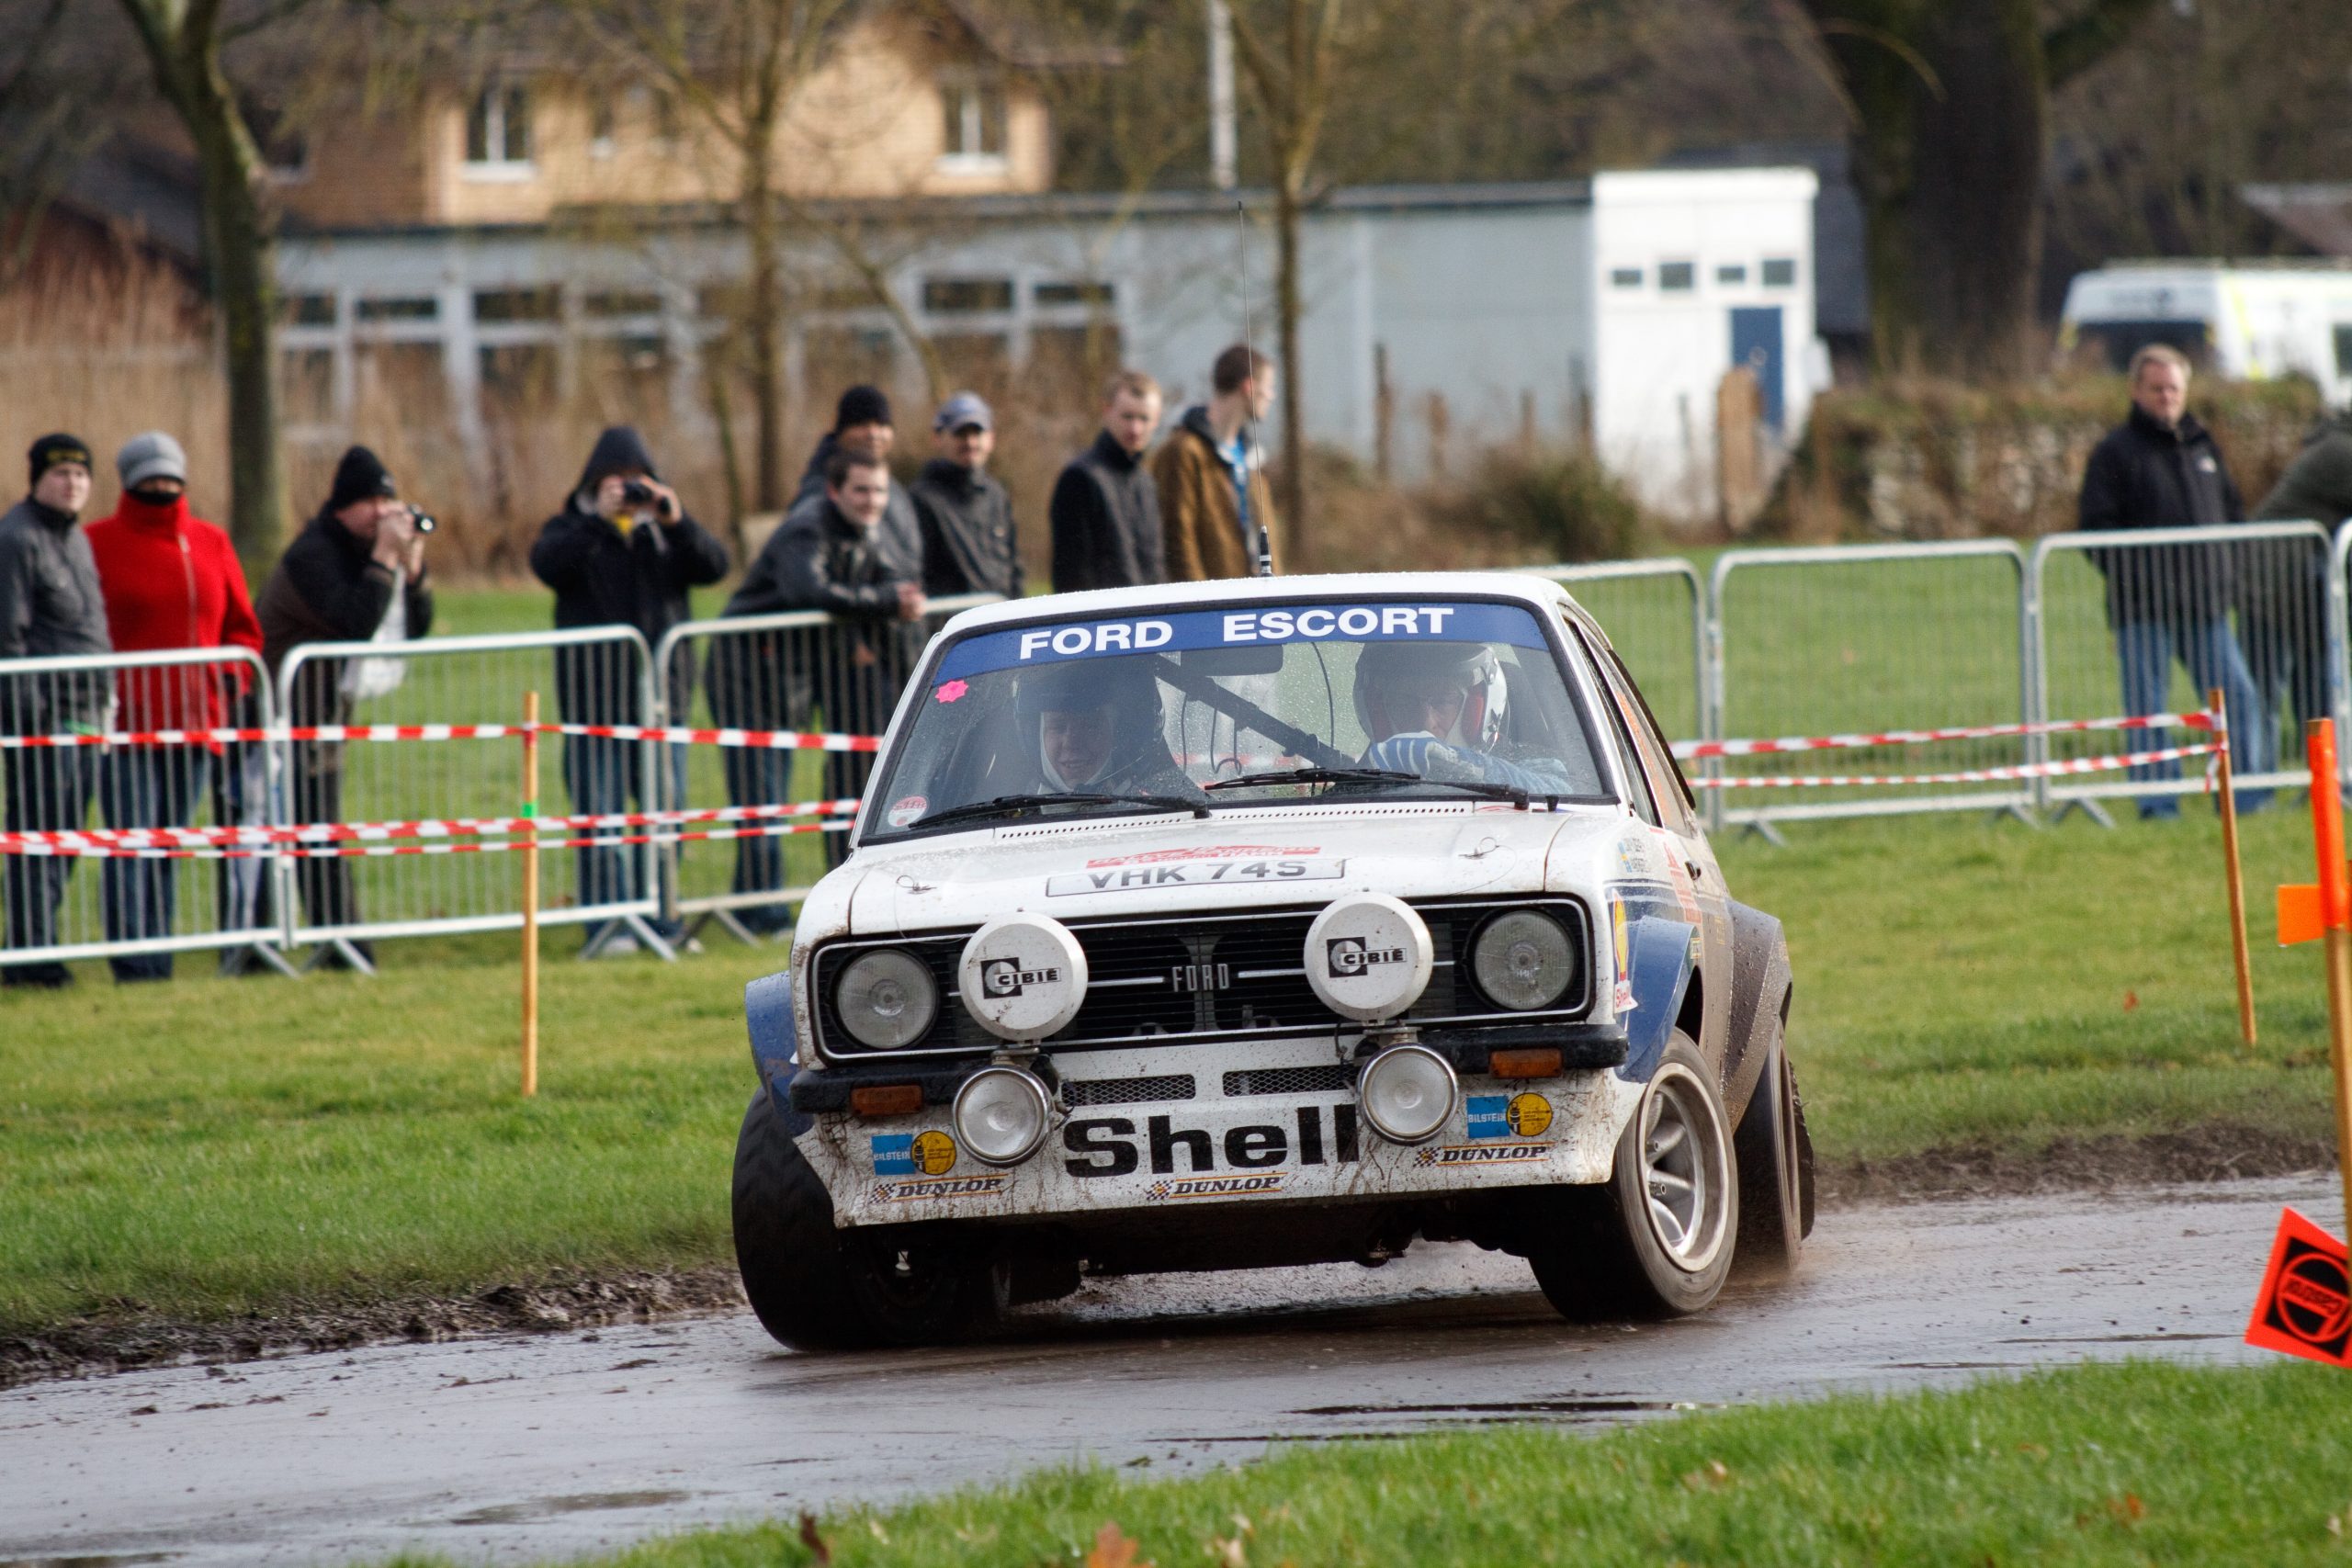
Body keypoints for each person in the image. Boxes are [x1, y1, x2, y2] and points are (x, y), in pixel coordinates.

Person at [530, 426, 729, 946]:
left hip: (663, 702)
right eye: (614, 481)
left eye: (636, 480)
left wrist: (676, 521)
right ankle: (610, 924)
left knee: (666, 818)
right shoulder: (572, 527)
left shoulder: (662, 530)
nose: (627, 490)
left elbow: (715, 565)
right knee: (602, 819)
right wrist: (598, 523)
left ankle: (663, 921)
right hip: (595, 702)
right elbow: (545, 564)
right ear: (593, 485)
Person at [83, 432, 263, 981]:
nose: (161, 488)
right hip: (127, 725)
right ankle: (135, 961)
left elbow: (242, 627)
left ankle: (158, 952)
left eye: (170, 478)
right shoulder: (95, 542)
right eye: (150, 479)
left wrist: (229, 680)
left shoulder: (210, 542)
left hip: (196, 723)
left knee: (170, 842)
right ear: (129, 482)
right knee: (131, 842)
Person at [256, 446, 435, 964]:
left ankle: (334, 944)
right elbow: (357, 622)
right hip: (276, 714)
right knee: (285, 829)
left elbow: (413, 627)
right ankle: (284, 943)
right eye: (370, 501)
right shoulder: (314, 554)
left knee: (317, 826)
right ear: (341, 507)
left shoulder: (358, 550)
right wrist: (383, 557)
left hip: (322, 715)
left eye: (388, 500)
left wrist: (413, 566)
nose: (382, 512)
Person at [2077, 343, 2270, 817]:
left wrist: (2228, 574)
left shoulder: (2204, 446)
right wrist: (2141, 577)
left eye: (2174, 388)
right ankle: (2157, 804)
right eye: (2156, 387)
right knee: (2150, 712)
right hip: (2144, 610)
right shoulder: (2115, 453)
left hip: (2207, 608)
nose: (2166, 397)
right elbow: (2096, 529)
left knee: (2238, 700)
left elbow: (2232, 515)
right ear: (2136, 390)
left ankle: (2246, 801)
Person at [728, 448, 924, 871]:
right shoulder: (806, 529)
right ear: (835, 491)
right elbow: (811, 591)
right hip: (749, 666)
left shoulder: (863, 529)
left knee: (824, 780)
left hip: (793, 668)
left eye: (879, 491)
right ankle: (762, 909)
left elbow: (889, 575)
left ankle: (786, 896)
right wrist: (889, 600)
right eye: (861, 490)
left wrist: (898, 594)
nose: (872, 500)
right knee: (762, 793)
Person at [0, 433, 109, 987]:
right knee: (37, 834)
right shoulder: (17, 539)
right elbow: (9, 637)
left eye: (82, 475)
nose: (73, 484)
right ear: (38, 477)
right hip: (45, 717)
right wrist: (28, 719)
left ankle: (37, 941)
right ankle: (28, 954)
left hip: (88, 709)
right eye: (62, 474)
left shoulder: (77, 539)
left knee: (64, 835)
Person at [2242, 402, 2352, 739]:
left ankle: (2325, 782)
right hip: (2270, 586)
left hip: (2305, 587)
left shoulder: (2334, 442)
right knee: (2263, 691)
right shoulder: (2341, 452)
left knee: (2319, 690)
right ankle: (2256, 789)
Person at [1354, 641, 1577, 796]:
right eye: (1404, 704)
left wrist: (1464, 763)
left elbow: (1563, 792)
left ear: (1478, 708)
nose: (1425, 722)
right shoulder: (1352, 772)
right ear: (1377, 712)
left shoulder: (1521, 762)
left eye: (1442, 701)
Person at [1153, 344, 1280, 581]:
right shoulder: (1184, 451)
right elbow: (1178, 540)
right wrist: (1201, 608)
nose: (1271, 396)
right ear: (1249, 387)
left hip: (1256, 605)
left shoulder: (1250, 456)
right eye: (1269, 387)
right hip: (1213, 609)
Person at [1015, 659, 1195, 802]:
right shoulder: (1002, 814)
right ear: (1035, 739)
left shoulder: (1171, 813)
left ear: (1123, 737)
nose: (1071, 743)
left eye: (1089, 726)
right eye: (1058, 727)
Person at [1050, 370, 1165, 592]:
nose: (1135, 429)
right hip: (1101, 620)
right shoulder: (1080, 478)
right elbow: (1071, 575)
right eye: (1127, 417)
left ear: (1156, 420)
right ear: (1107, 411)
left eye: (1144, 418)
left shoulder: (1146, 483)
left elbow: (1155, 565)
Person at [791, 384, 922, 578]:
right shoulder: (819, 490)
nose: (873, 434)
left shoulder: (895, 489)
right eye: (862, 425)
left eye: (881, 425)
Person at [910, 391, 1023, 599]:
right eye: (960, 434)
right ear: (938, 438)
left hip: (998, 624)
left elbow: (1013, 567)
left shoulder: (997, 496)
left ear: (990, 439)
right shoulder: (922, 499)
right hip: (952, 626)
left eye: (977, 433)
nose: (970, 443)